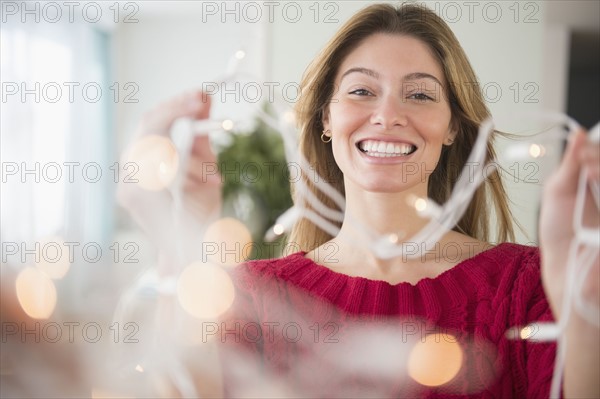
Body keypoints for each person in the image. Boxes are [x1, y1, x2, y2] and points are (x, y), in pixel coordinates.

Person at [120, 3, 599, 398]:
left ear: (453, 126)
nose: (388, 115)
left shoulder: (530, 285)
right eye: (362, 91)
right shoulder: (251, 297)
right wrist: (178, 235)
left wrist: (586, 297)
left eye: (420, 95)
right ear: (327, 118)